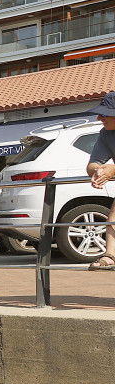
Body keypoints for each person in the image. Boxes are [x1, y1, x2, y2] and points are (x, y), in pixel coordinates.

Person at [84, 91, 115, 270]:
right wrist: (98, 171)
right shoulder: (106, 134)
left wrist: (113, 169)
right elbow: (92, 164)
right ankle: (110, 256)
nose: (99, 118)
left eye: (104, 114)